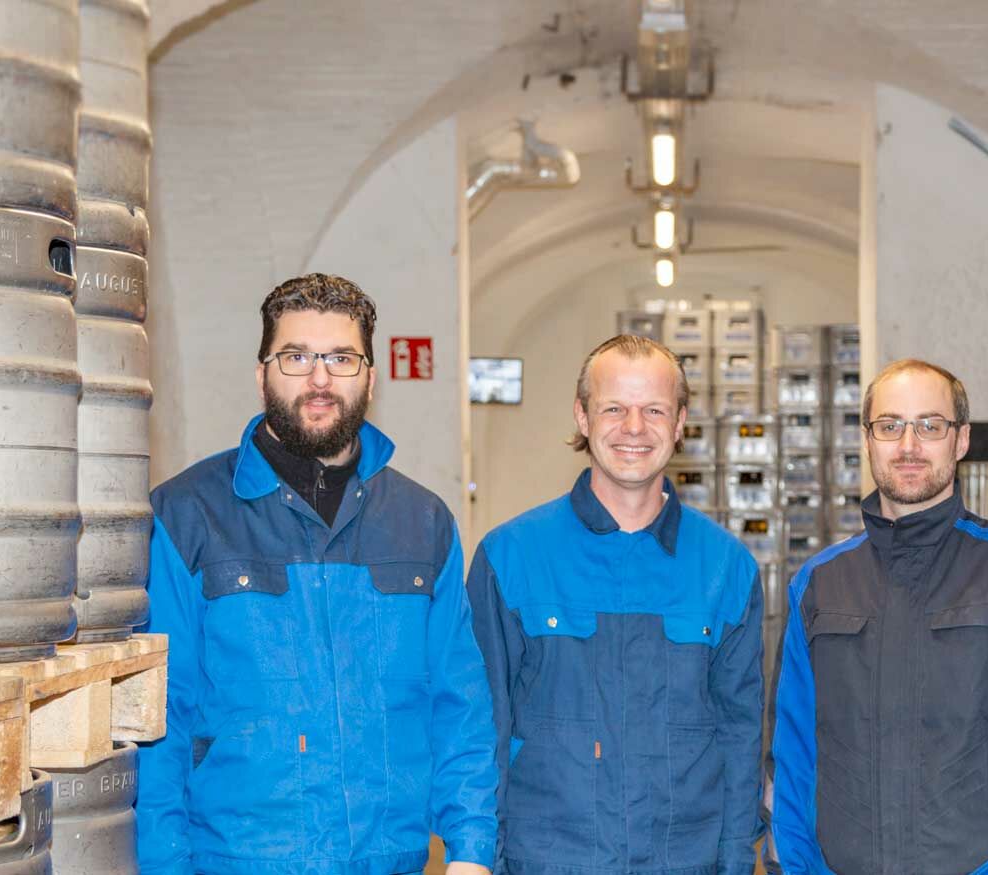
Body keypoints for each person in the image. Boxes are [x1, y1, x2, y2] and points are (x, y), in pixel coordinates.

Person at [137, 274, 498, 875]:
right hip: (236, 861)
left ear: (370, 378)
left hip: (388, 861)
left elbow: (458, 702)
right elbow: (159, 718)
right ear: (262, 375)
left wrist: (472, 851)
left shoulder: (423, 522)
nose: (320, 378)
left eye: (341, 358)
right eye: (296, 357)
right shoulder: (187, 515)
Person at [467, 334, 765, 875]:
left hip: (684, 863)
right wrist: (480, 858)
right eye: (613, 408)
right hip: (548, 863)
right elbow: (481, 730)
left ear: (680, 422)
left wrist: (736, 862)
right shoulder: (511, 557)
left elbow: (740, 737)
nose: (634, 427)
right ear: (582, 416)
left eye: (654, 409)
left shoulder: (727, 568)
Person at [770, 358, 988, 875]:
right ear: (868, 439)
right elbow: (794, 753)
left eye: (929, 425)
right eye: (890, 426)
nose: (908, 445)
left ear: (961, 439)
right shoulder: (817, 584)